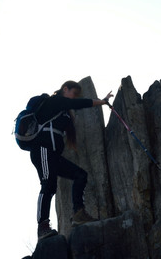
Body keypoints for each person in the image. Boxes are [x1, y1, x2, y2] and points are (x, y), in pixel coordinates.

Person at [29, 80, 113, 240]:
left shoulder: (64, 111)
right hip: (42, 150)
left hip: (52, 155)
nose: (74, 98)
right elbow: (81, 103)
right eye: (73, 94)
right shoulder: (55, 101)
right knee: (48, 184)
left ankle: (78, 214)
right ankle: (43, 227)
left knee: (80, 175)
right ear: (65, 89)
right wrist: (102, 101)